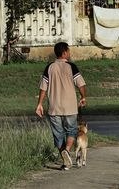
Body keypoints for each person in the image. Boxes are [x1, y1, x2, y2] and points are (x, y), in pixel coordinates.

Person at [35, 42, 87, 171]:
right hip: (70, 107)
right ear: (64, 53)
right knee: (72, 131)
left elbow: (43, 88)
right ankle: (67, 151)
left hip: (54, 107)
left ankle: (65, 160)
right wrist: (83, 97)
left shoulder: (49, 67)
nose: (69, 53)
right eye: (68, 51)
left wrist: (39, 104)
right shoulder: (72, 67)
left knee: (58, 135)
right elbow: (81, 84)